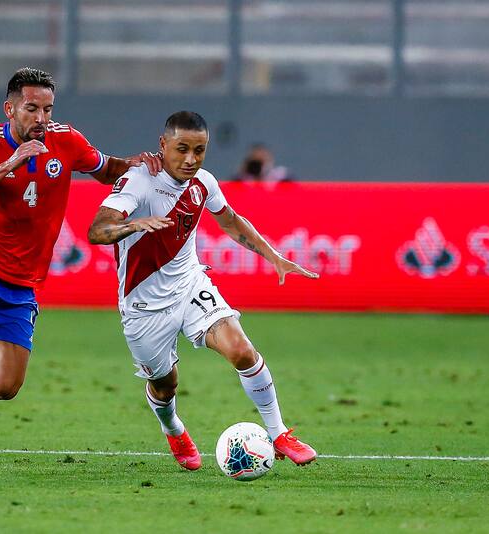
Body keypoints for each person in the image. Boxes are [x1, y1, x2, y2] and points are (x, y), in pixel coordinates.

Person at [0, 67, 162, 473]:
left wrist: (142, 163)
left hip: (22, 283)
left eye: (47, 109)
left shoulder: (65, 139)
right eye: (32, 109)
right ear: (10, 109)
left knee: (4, 387)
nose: (41, 119)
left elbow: (105, 168)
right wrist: (12, 162)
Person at [87, 111, 318, 470]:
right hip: (143, 304)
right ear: (163, 146)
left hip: (190, 285)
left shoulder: (204, 183)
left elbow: (229, 220)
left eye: (200, 150)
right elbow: (97, 231)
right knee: (165, 385)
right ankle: (174, 428)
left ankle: (279, 433)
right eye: (182, 149)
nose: (191, 159)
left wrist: (274, 256)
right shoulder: (139, 182)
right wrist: (135, 223)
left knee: (241, 350)